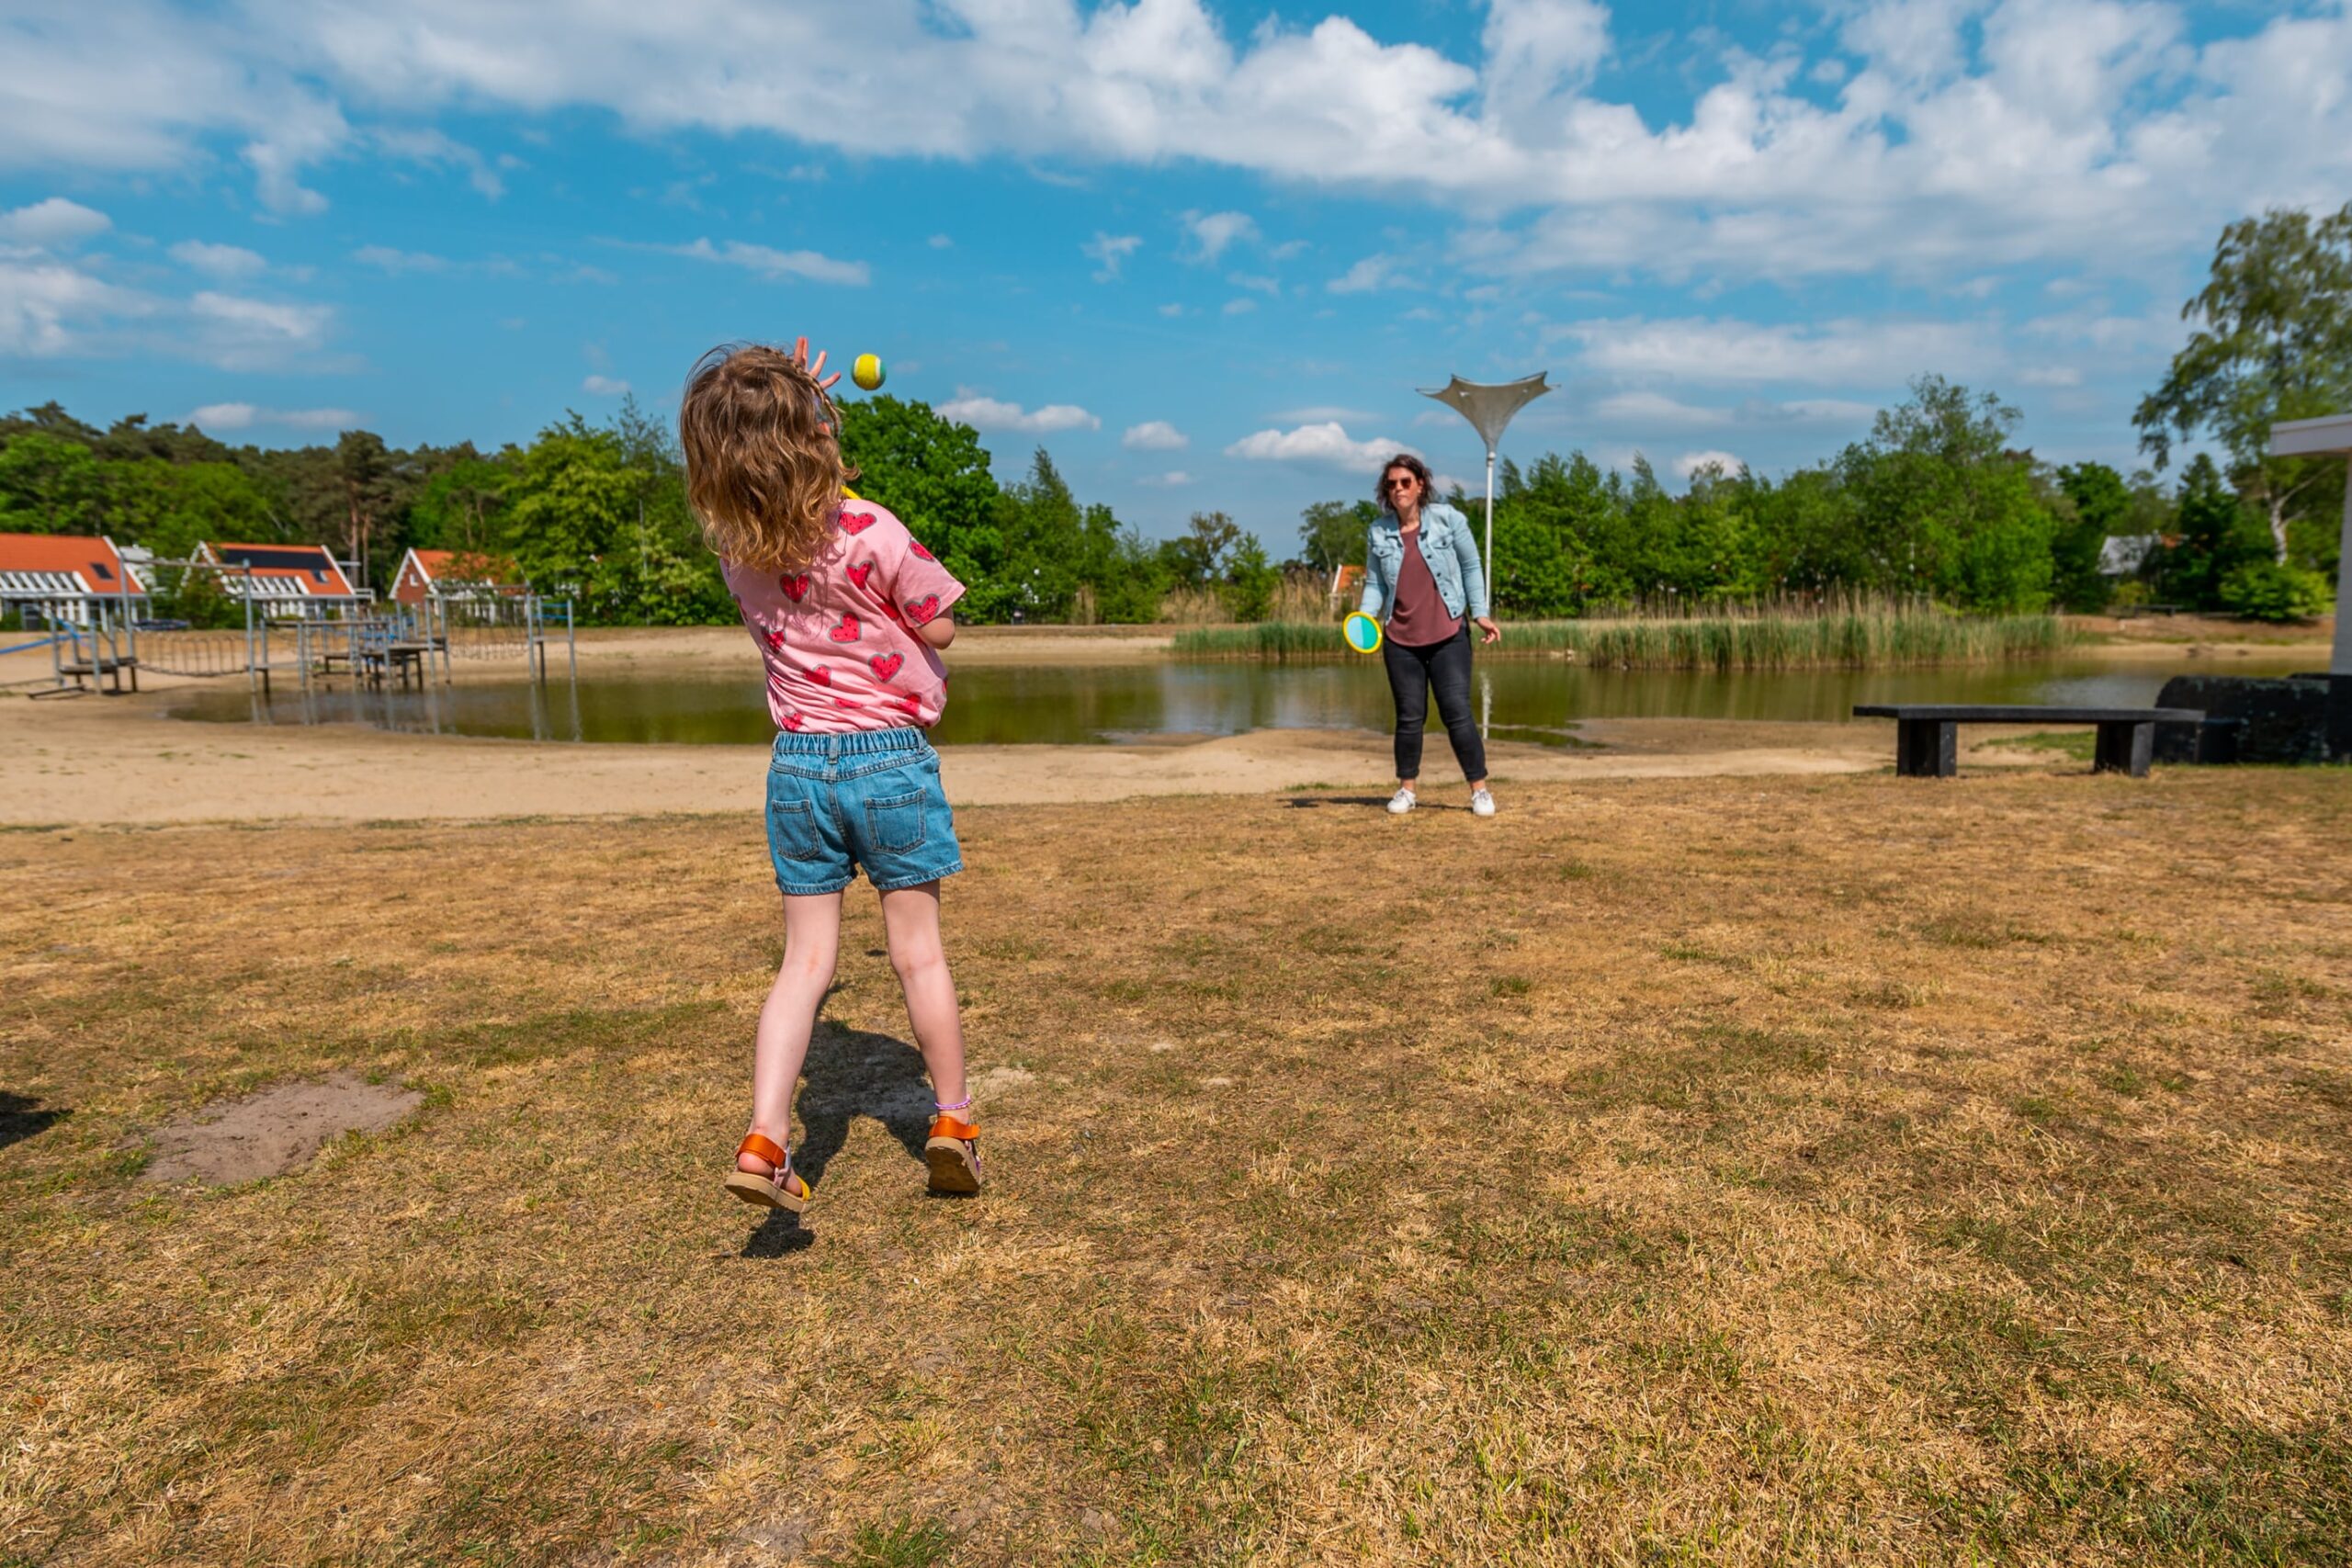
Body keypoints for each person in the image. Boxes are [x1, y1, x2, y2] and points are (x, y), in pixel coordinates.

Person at [680, 338, 982, 1213]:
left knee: (804, 961)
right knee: (916, 953)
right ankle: (952, 1122)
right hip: (889, 756)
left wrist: (797, 408)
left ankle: (767, 1136)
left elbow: (780, 608)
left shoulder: (736, 553)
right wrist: (815, 416)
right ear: (819, 436)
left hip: (799, 769)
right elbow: (944, 627)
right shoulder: (871, 527)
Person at [1358, 453, 1501, 816]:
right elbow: (1375, 583)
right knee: (1409, 716)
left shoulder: (1448, 520)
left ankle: (1479, 791)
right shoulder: (1378, 531)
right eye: (1391, 484)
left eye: (1405, 482)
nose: (1398, 489)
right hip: (1399, 640)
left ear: (1421, 485)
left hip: (1448, 634)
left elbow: (1471, 566)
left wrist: (1480, 613)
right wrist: (1361, 619)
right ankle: (1407, 790)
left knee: (1457, 712)